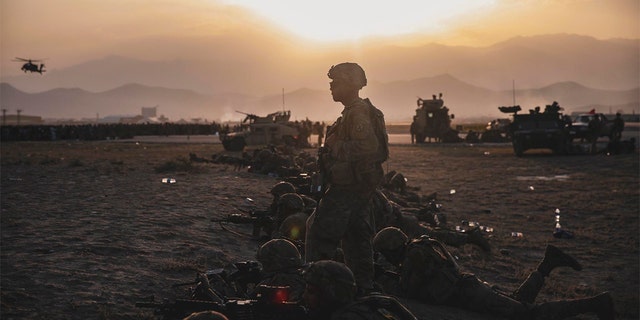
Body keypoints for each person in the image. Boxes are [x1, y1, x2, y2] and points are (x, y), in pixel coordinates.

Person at [372, 227, 615, 320]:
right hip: (470, 290)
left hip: (470, 294)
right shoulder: (418, 248)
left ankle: (596, 303)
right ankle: (547, 264)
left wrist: (384, 277)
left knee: (529, 315)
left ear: (392, 248)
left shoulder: (414, 256)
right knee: (520, 303)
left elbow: (410, 290)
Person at [305, 62, 389, 295]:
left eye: (336, 82)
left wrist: (335, 146)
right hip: (357, 189)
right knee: (357, 241)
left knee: (318, 232)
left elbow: (368, 147)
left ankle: (314, 288)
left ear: (350, 85)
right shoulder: (352, 112)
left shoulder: (357, 112)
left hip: (347, 190)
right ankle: (363, 290)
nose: (331, 86)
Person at [302, 260, 417, 320]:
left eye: (311, 292)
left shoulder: (349, 317)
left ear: (331, 294)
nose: (304, 297)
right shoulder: (362, 305)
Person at [253, 238, 307, 302]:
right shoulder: (304, 276)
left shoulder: (275, 280)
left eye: (265, 264)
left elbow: (251, 298)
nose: (263, 268)